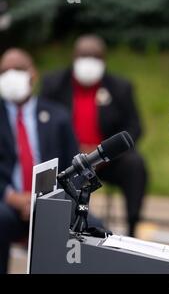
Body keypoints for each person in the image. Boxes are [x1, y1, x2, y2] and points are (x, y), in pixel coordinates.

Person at [41, 35, 148, 237]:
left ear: (104, 60)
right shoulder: (54, 85)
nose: (89, 62)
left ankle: (133, 227)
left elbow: (135, 127)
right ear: (73, 57)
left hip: (105, 160)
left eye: (95, 57)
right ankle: (59, 227)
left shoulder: (120, 88)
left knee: (135, 164)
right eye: (84, 56)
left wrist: (103, 153)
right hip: (67, 162)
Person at [0, 48, 79, 273]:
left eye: (17, 69)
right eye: (4, 71)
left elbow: (74, 167)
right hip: (9, 205)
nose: (9, 75)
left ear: (32, 74)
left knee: (96, 228)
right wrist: (13, 197)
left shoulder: (58, 116)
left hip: (54, 202)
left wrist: (51, 199)